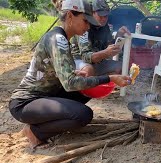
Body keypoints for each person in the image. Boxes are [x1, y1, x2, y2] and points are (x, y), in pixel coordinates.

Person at [8, 0, 131, 148]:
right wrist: (110, 78)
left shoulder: (64, 38)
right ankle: (35, 131)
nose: (88, 26)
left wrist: (73, 72)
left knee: (83, 93)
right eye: (85, 21)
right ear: (70, 16)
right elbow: (70, 83)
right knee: (83, 115)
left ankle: (43, 122)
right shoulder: (58, 39)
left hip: (45, 96)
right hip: (25, 102)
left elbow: (55, 71)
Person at [71, 0, 131, 76]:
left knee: (121, 67)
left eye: (105, 16)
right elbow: (85, 57)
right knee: (88, 70)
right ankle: (93, 83)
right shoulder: (84, 25)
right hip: (80, 61)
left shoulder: (104, 26)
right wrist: (106, 53)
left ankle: (103, 84)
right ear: (93, 13)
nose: (103, 19)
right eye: (100, 16)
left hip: (98, 62)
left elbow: (109, 46)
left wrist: (119, 34)